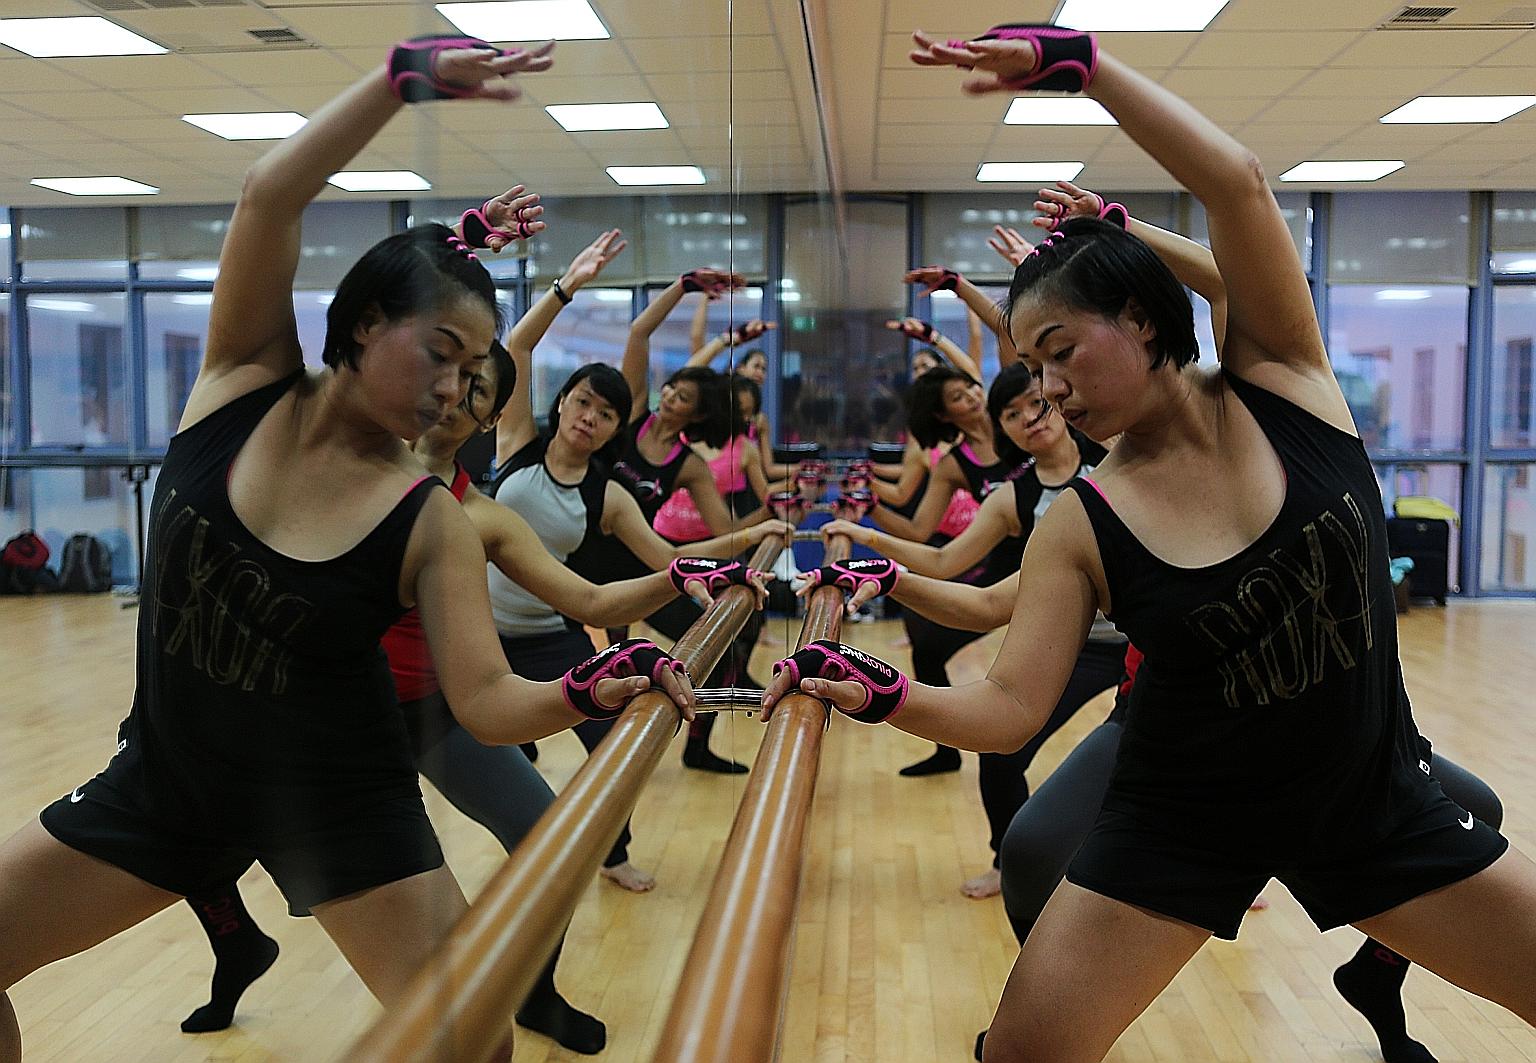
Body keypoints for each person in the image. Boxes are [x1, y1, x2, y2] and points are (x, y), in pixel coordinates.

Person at [764, 23, 1536, 1062]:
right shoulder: (1080, 519)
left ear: (1137, 317)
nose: (1048, 390)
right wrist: (878, 689)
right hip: (1181, 823)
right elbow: (1006, 709)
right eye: (1031, 372)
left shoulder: (1285, 383)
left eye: (1059, 351)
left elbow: (1241, 189)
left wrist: (1083, 68)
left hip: (1373, 804)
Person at [0, 39, 697, 1063]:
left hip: (338, 802)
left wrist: (599, 686)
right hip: (167, 779)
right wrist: (397, 79)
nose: (456, 389)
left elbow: (489, 700)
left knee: (472, 1045)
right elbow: (267, 198)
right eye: (442, 354)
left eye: (476, 377)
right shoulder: (241, 380)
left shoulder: (426, 518)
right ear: (366, 325)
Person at [177, 335, 749, 1052]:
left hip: (432, 712)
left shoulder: (479, 514)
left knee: (550, 834)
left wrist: (679, 577)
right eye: (445, 376)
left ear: (486, 421)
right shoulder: (340, 471)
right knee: (190, 811)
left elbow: (592, 596)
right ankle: (235, 944)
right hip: (321, 716)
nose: (452, 396)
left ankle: (536, 992)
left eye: (477, 392)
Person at [493, 248, 789, 885]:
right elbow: (515, 349)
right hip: (479, 634)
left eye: (602, 413)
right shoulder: (518, 446)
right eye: (580, 403)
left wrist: (746, 543)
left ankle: (615, 854)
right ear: (563, 401)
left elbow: (671, 561)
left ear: (611, 429)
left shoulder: (610, 494)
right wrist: (566, 287)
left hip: (557, 624)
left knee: (608, 745)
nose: (588, 418)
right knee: (495, 754)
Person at [823, 363, 1120, 899]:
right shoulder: (1013, 499)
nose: (1031, 417)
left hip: (1149, 641)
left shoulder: (1117, 457)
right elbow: (946, 565)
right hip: (1076, 644)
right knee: (1001, 750)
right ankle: (1006, 862)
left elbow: (1034, 350)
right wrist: (868, 540)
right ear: (1001, 429)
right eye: (1012, 414)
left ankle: (1220, 869)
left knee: (1187, 749)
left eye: (1037, 403)